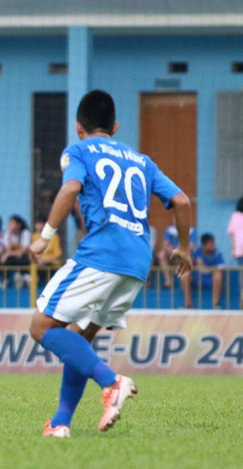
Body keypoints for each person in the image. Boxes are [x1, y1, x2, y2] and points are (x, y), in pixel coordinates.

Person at [29, 89, 191, 438]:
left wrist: (45, 235)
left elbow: (70, 189)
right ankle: (60, 423)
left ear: (78, 127)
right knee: (80, 337)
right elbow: (181, 200)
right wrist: (184, 248)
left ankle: (111, 381)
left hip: (101, 253)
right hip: (137, 261)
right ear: (115, 125)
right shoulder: (142, 160)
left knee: (41, 327)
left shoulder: (78, 150)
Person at [181, 233, 225, 309]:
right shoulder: (196, 252)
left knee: (218, 275)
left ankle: (215, 305)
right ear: (203, 246)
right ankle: (188, 304)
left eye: (213, 243)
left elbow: (221, 269)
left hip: (210, 279)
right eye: (210, 244)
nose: (213, 246)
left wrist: (205, 267)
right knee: (184, 274)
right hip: (198, 279)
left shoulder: (218, 254)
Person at [157, 223, 198, 288]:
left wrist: (179, 250)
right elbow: (165, 245)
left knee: (187, 256)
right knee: (161, 255)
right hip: (172, 254)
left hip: (184, 254)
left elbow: (191, 247)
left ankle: (184, 282)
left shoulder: (192, 230)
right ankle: (168, 281)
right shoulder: (169, 229)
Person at [1, 215, 32, 287]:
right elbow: (7, 249)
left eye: (12, 223)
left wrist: (9, 253)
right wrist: (10, 236)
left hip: (24, 257)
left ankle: (25, 276)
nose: (10, 225)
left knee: (23, 258)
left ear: (19, 225)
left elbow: (25, 249)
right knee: (3, 259)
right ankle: (5, 279)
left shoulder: (25, 233)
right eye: (9, 223)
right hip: (13, 256)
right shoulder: (8, 234)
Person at [227, 196, 243, 266]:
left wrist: (233, 250)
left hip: (239, 250)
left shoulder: (235, 216)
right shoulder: (235, 216)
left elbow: (232, 235)